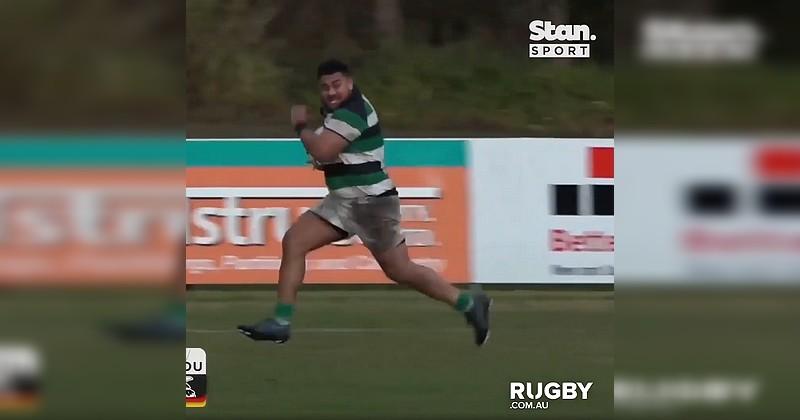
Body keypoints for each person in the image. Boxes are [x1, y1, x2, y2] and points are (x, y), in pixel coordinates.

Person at [237, 59, 491, 346]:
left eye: (336, 85)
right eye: (324, 87)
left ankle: (469, 304)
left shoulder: (354, 111)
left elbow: (322, 148)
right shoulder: (338, 113)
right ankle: (280, 322)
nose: (330, 92)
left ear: (350, 82)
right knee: (294, 241)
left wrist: (300, 127)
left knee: (400, 270)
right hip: (345, 200)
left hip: (370, 204)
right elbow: (327, 154)